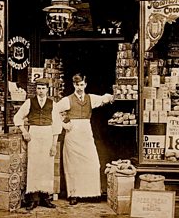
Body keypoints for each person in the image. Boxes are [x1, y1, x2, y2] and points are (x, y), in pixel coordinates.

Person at [57, 73, 114, 205]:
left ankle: (92, 193)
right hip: (73, 135)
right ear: (73, 85)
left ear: (85, 84)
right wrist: (64, 124)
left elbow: (104, 98)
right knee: (73, 165)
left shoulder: (90, 98)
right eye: (77, 85)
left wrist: (114, 95)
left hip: (86, 133)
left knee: (93, 163)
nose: (79, 87)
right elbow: (53, 110)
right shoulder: (67, 100)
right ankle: (73, 194)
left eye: (82, 84)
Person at [13, 78, 62, 211]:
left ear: (47, 89)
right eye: (38, 88)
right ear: (36, 89)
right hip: (34, 133)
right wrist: (24, 131)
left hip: (47, 133)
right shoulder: (29, 102)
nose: (40, 91)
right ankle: (33, 199)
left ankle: (45, 197)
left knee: (47, 166)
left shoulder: (53, 104)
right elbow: (17, 117)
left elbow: (57, 125)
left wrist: (53, 145)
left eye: (43, 88)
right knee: (34, 165)